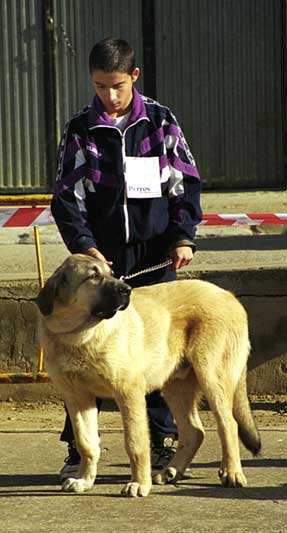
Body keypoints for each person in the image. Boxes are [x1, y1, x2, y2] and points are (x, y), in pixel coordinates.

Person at [51, 37, 202, 481]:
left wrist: (183, 237)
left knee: (150, 351)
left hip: (155, 254)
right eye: (100, 86)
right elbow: (65, 196)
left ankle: (161, 437)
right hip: (102, 260)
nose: (109, 96)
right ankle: (78, 450)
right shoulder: (80, 129)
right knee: (85, 353)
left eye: (116, 85)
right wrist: (84, 245)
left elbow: (185, 182)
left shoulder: (159, 121)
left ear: (133, 77)